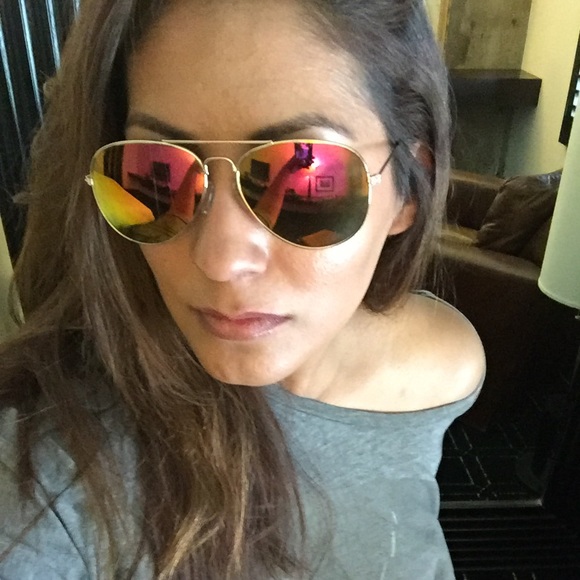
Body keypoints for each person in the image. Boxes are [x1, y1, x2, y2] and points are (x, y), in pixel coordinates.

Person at [0, 0, 485, 578]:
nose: (220, 259)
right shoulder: (46, 476)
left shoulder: (444, 362)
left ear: (410, 188)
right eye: (156, 176)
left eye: (305, 181)